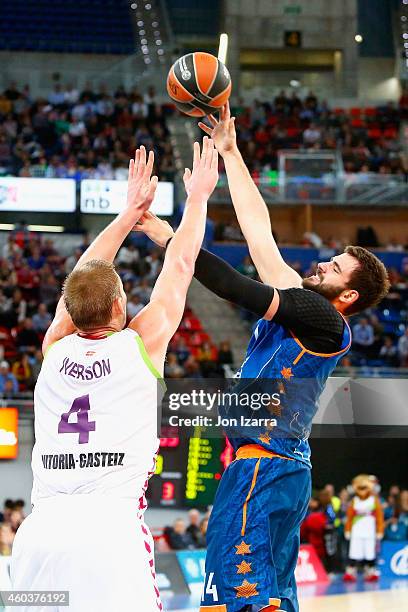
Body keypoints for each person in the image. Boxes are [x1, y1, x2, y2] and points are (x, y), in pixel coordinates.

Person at [136, 103, 390, 612]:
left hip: (263, 468)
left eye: (335, 267)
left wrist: (176, 234)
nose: (322, 262)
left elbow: (231, 283)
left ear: (348, 297)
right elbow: (259, 232)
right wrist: (231, 153)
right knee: (272, 597)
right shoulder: (305, 306)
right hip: (278, 469)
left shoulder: (322, 320)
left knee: (240, 597)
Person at [10, 139, 219, 612]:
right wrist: (199, 197)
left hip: (38, 537)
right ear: (121, 306)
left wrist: (126, 215)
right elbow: (181, 264)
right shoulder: (141, 345)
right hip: (108, 535)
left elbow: (81, 281)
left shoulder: (53, 347)